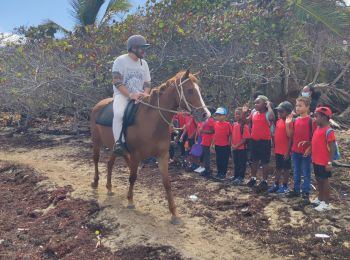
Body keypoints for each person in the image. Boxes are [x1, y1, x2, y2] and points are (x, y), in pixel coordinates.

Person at [112, 35, 151, 154]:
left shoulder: (144, 63)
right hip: (123, 95)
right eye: (142, 48)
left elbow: (147, 82)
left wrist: (145, 94)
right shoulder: (120, 60)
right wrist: (130, 95)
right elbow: (117, 82)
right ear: (133, 48)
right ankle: (119, 142)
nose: (144, 51)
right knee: (119, 114)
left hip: (141, 95)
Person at [287, 97, 315, 203]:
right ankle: (296, 189)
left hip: (305, 152)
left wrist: (310, 148)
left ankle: (306, 192)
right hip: (295, 151)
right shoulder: (295, 120)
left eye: (300, 105)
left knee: (306, 172)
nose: (297, 107)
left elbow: (314, 136)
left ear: (307, 107)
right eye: (297, 105)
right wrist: (287, 123)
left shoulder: (311, 121)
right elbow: (290, 135)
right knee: (296, 171)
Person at [245, 95, 275, 192]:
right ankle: (253, 179)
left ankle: (264, 181)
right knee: (254, 161)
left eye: (258, 102)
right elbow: (245, 121)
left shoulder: (267, 113)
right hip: (254, 141)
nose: (255, 104)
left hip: (265, 141)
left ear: (265, 104)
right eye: (255, 103)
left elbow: (272, 118)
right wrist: (244, 112)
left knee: (265, 162)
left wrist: (269, 106)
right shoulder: (254, 112)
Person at [311, 107, 337, 211]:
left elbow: (332, 148)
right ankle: (320, 198)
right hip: (316, 160)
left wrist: (329, 162)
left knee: (324, 180)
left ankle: (326, 203)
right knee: (319, 179)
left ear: (324, 117)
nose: (314, 118)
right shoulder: (318, 128)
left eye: (316, 116)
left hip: (324, 161)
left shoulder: (328, 131)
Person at [268, 101, 293, 193]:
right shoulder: (278, 121)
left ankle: (285, 186)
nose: (279, 113)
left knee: (286, 169)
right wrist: (274, 147)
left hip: (285, 151)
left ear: (288, 112)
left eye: (281, 112)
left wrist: (288, 151)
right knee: (278, 167)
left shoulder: (289, 122)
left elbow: (290, 138)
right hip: (278, 150)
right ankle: (276, 184)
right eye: (278, 112)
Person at [231, 107, 250, 185]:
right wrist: (232, 145)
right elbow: (232, 136)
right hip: (235, 148)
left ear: (243, 115)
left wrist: (236, 146)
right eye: (236, 114)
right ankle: (235, 176)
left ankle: (240, 177)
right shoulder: (234, 124)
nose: (237, 115)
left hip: (242, 149)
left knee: (242, 163)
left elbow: (245, 139)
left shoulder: (245, 126)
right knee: (236, 163)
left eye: (239, 114)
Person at [213, 107, 231, 180]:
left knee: (224, 160)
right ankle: (219, 173)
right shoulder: (215, 124)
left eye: (220, 115)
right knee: (218, 159)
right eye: (217, 115)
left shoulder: (228, 124)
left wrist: (229, 143)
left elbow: (230, 134)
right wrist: (213, 143)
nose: (218, 117)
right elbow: (215, 134)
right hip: (217, 145)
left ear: (224, 116)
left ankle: (223, 173)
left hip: (225, 145)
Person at [198, 108, 216, 177]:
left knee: (207, 156)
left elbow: (213, 131)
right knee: (205, 156)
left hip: (208, 140)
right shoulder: (207, 120)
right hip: (204, 140)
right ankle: (206, 169)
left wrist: (203, 131)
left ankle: (208, 170)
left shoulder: (211, 120)